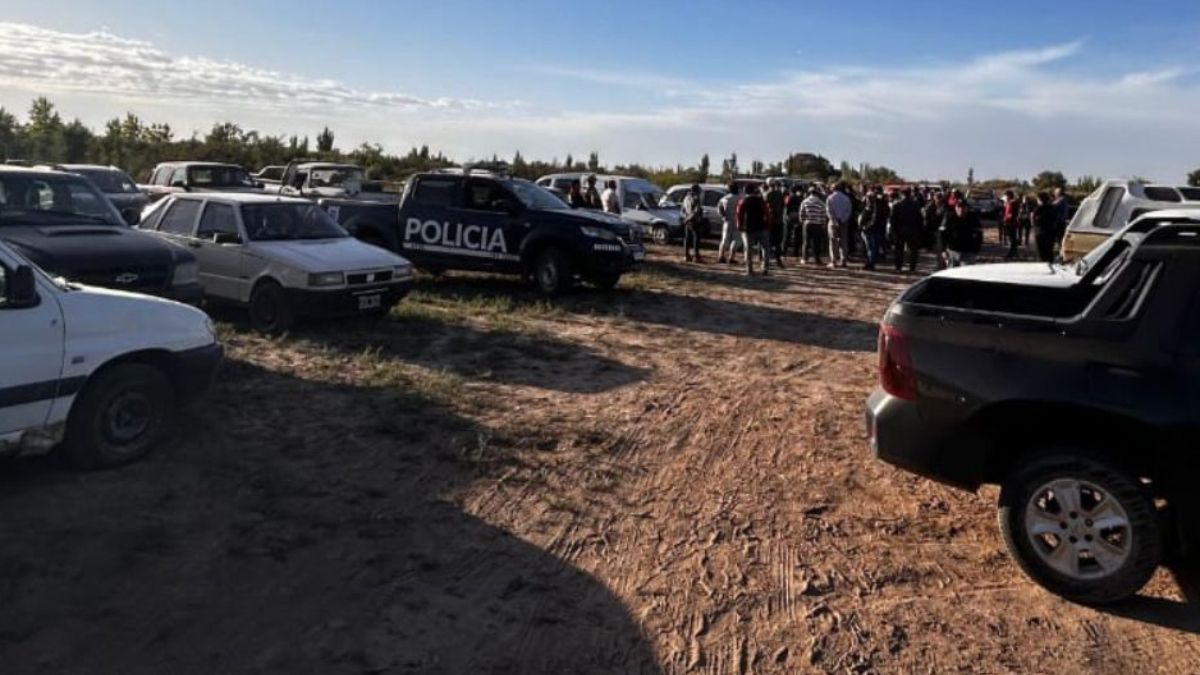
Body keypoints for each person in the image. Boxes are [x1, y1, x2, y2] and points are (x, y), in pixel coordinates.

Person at [737, 183, 770, 275]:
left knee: (748, 249)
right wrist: (768, 224)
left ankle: (749, 269)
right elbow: (767, 213)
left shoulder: (743, 201)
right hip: (761, 227)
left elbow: (739, 214)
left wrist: (739, 225)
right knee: (765, 247)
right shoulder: (761, 200)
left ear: (745, 191)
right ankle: (765, 268)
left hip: (747, 228)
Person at [890, 188, 923, 272]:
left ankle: (898, 267)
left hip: (900, 230)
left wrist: (894, 230)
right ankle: (912, 267)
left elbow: (893, 220)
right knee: (913, 250)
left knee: (899, 250)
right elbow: (920, 219)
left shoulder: (897, 205)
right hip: (913, 230)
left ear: (902, 194)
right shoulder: (915, 205)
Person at [943, 199, 982, 267]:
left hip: (968, 252)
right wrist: (943, 250)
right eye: (959, 207)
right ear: (955, 207)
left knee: (965, 274)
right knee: (951, 274)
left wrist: (976, 250)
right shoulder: (949, 217)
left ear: (967, 208)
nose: (961, 209)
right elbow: (942, 235)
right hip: (953, 251)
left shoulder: (973, 218)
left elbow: (979, 234)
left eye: (963, 207)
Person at [861, 186, 889, 271]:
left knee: (871, 247)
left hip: (872, 228)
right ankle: (871, 262)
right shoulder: (883, 203)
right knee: (873, 246)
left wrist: (867, 226)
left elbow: (875, 217)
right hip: (878, 227)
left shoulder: (876, 204)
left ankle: (870, 263)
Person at [798, 188, 828, 265]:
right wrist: (823, 224)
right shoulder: (820, 203)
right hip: (817, 224)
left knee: (806, 242)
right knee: (816, 242)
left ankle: (804, 258)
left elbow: (801, 213)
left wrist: (803, 221)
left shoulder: (805, 201)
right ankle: (817, 259)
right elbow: (823, 214)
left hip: (807, 223)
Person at [826, 182, 852, 268]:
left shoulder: (830, 198)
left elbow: (829, 211)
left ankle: (834, 261)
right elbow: (849, 211)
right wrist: (842, 219)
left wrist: (834, 220)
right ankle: (843, 260)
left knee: (833, 241)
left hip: (833, 223)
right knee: (843, 242)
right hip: (844, 222)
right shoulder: (847, 199)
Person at [716, 184, 743, 264]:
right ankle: (731, 257)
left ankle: (721, 256)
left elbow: (719, 208)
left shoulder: (724, 198)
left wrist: (723, 216)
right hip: (737, 221)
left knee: (724, 240)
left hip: (727, 221)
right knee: (735, 240)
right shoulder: (741, 198)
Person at [764, 179, 787, 268]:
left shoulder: (766, 194)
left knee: (767, 241)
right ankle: (778, 261)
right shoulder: (780, 194)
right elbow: (783, 206)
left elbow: (765, 207)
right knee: (778, 242)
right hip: (779, 220)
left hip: (770, 220)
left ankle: (766, 262)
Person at [680, 184, 705, 263]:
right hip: (695, 221)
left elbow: (682, 210)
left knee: (687, 238)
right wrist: (689, 218)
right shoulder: (696, 199)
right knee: (696, 239)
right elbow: (696, 212)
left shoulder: (686, 198)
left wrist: (685, 219)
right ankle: (696, 257)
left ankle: (686, 255)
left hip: (687, 221)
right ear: (696, 191)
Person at [1033, 191, 1059, 264]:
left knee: (1041, 253)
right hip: (1051, 232)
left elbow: (1034, 220)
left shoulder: (1038, 209)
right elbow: (1056, 219)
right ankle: (1050, 265)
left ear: (1040, 199)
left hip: (1040, 232)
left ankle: (1043, 266)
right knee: (1049, 251)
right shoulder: (1053, 208)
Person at [923, 192, 947, 269]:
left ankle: (941, 266)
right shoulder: (930, 206)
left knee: (941, 250)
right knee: (937, 250)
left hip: (942, 232)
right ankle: (940, 265)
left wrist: (941, 228)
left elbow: (945, 220)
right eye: (937, 198)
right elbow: (926, 218)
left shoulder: (945, 208)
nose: (938, 200)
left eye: (939, 198)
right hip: (932, 231)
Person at [785, 184, 804, 257]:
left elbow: (786, 207)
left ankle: (784, 251)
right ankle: (795, 252)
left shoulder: (789, 197)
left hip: (790, 217)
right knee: (797, 235)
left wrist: (787, 216)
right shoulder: (800, 198)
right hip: (797, 217)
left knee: (788, 234)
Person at [1001, 190, 1021, 260]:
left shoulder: (1013, 202)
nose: (1005, 197)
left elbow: (1013, 213)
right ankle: (1014, 252)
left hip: (1011, 223)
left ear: (1009, 195)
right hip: (1008, 222)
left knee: (1012, 238)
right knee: (1012, 238)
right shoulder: (1008, 202)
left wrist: (1007, 219)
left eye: (1006, 195)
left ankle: (1012, 253)